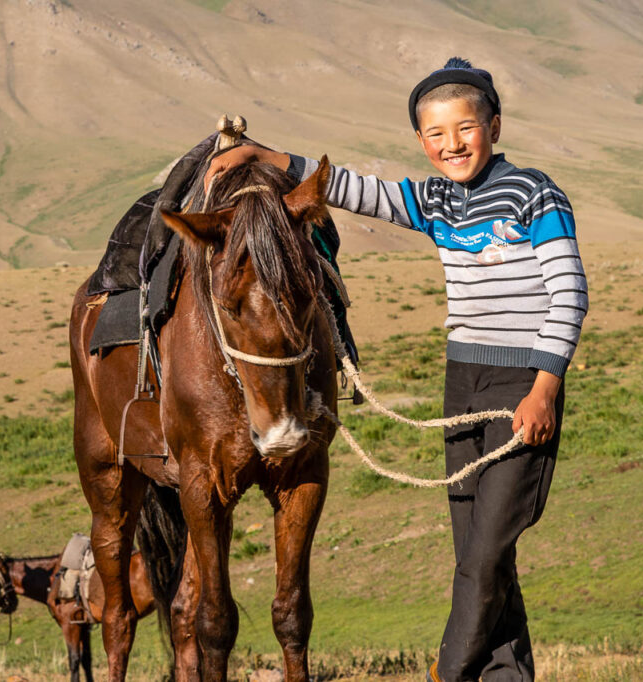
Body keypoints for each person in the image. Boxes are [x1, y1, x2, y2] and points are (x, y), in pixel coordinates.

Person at [205, 57, 588, 681]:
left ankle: (446, 671)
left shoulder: (534, 193)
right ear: (421, 141)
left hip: (524, 384)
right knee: (479, 554)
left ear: (495, 124)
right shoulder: (436, 199)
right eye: (435, 135)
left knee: (487, 552)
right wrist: (270, 159)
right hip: (463, 380)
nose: (452, 145)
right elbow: (362, 191)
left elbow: (570, 293)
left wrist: (545, 387)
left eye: (465, 128)